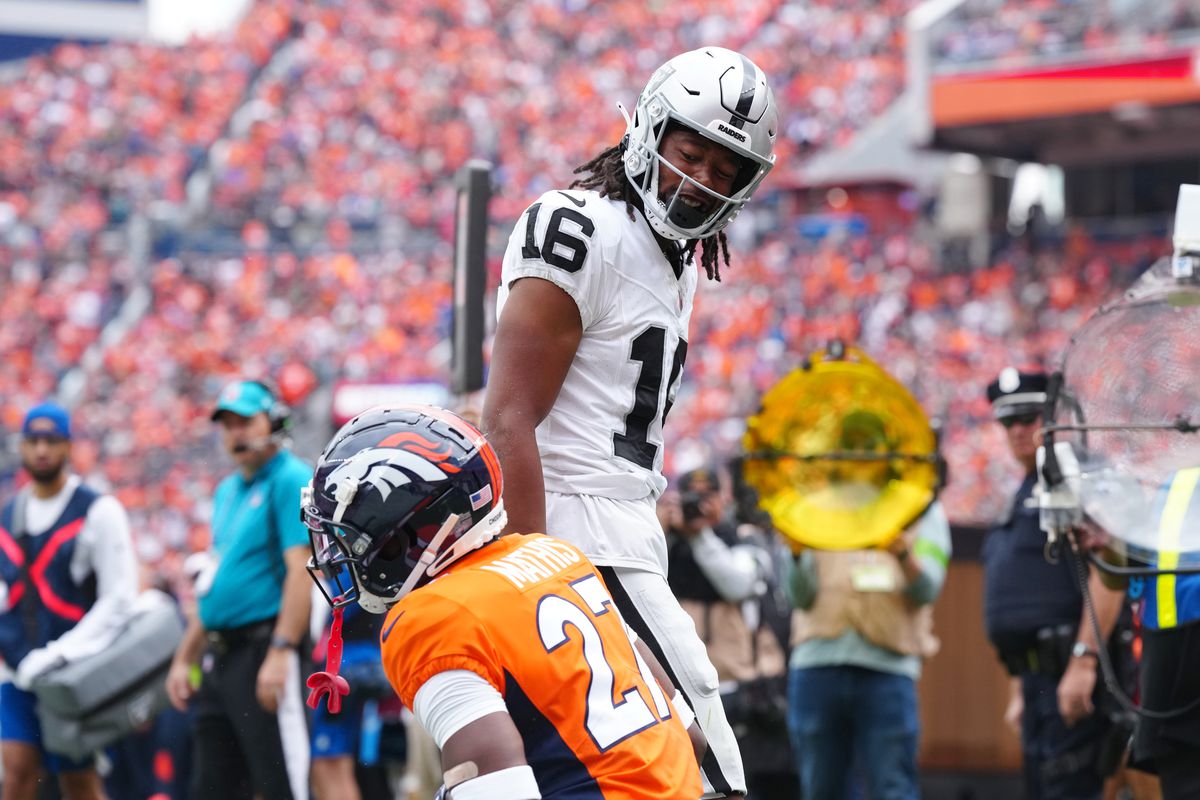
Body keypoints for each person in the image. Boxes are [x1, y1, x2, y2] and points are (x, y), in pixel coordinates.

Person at [482, 45, 779, 798]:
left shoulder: (674, 259)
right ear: (649, 127)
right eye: (691, 154)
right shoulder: (580, 227)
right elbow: (510, 417)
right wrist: (535, 575)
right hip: (579, 540)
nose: (701, 181)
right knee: (707, 766)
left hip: (627, 532)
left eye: (724, 171)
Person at [303, 405, 704, 800]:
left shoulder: (431, 616)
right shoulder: (558, 557)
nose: (336, 553)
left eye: (349, 535)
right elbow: (691, 738)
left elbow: (497, 787)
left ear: (403, 533)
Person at [785, 407, 952, 800]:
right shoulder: (814, 505)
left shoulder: (921, 508)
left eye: (869, 443)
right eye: (851, 443)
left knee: (892, 788)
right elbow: (797, 595)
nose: (860, 452)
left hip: (887, 668)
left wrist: (902, 555)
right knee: (820, 789)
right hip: (817, 666)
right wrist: (794, 554)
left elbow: (928, 590)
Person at [981, 368, 1127, 800]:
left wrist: (1083, 662)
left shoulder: (1079, 476)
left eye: (1028, 418)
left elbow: (1109, 569)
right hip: (1036, 676)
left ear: (1053, 418)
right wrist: (1018, 687)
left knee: (1070, 787)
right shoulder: (1029, 486)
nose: (1018, 431)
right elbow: (1024, 598)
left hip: (1073, 668)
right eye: (1008, 422)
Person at [165, 380, 313, 800]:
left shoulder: (290, 478)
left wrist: (282, 650)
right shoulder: (228, 490)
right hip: (221, 659)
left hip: (262, 650)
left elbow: (301, 571)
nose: (236, 432)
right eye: (227, 424)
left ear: (275, 420)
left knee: (280, 783)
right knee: (211, 787)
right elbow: (215, 582)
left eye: (246, 421)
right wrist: (185, 658)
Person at [0, 402, 137, 800]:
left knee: (79, 781)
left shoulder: (98, 510)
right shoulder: (9, 514)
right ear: (22, 447)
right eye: (33, 441)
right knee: (17, 773)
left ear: (68, 447)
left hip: (74, 674)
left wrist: (61, 654)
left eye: (52, 441)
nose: (42, 450)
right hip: (17, 670)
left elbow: (119, 597)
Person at [663, 467, 796, 800]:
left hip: (740, 686)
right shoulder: (667, 539)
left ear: (724, 498)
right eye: (692, 498)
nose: (700, 507)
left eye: (707, 497)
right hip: (678, 683)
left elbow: (737, 584)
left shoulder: (741, 536)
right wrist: (664, 527)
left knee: (741, 782)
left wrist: (701, 537)